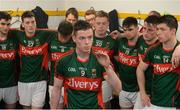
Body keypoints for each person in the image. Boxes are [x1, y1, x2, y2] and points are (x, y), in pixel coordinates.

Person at [50, 20, 121, 109]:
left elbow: (118, 89)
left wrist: (108, 67)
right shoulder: (63, 60)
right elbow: (56, 88)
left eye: (90, 37)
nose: (87, 42)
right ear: (74, 38)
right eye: (82, 38)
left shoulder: (100, 58)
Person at [11, 11, 56, 109]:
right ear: (22, 24)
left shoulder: (45, 33)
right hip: (23, 81)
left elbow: (62, 31)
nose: (31, 25)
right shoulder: (18, 34)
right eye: (27, 23)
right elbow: (4, 30)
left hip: (40, 81)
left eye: (33, 22)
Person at [136, 15, 180, 109]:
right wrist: (142, 93)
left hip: (172, 104)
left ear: (173, 31)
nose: (158, 32)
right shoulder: (153, 50)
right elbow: (140, 69)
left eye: (162, 29)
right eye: (157, 29)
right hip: (153, 101)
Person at [134, 15, 160, 109]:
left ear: (158, 31)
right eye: (144, 28)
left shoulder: (161, 45)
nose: (145, 32)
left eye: (150, 30)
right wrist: (142, 92)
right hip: (141, 89)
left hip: (156, 93)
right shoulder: (140, 39)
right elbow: (128, 34)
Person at [93, 10, 117, 108]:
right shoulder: (86, 38)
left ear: (108, 24)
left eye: (104, 23)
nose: (101, 26)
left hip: (105, 80)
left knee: (105, 105)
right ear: (94, 23)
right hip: (87, 79)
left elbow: (118, 60)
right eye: (98, 23)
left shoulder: (113, 41)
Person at [48, 20, 75, 109]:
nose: (63, 39)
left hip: (72, 84)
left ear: (71, 34)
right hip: (54, 82)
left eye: (66, 37)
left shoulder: (76, 42)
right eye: (61, 36)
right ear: (58, 32)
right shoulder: (51, 38)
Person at [116, 17, 140, 109]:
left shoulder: (142, 42)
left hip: (138, 90)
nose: (127, 33)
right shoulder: (121, 41)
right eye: (125, 30)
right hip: (123, 88)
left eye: (130, 29)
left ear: (137, 28)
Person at [0, 11, 19, 109]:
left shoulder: (15, 37)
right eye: (2, 24)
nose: (5, 27)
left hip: (11, 84)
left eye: (8, 24)